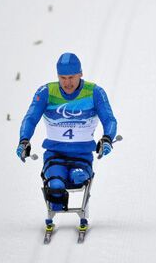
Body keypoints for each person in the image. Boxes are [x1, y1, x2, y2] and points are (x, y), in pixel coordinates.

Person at [16, 53, 117, 230]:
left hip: (82, 156)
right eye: (62, 78)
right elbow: (30, 118)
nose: (67, 83)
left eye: (71, 77)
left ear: (80, 74)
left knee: (77, 178)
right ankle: (54, 205)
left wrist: (107, 139)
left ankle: (78, 199)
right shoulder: (46, 92)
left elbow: (110, 120)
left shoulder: (94, 92)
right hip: (55, 154)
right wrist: (24, 141)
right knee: (55, 185)